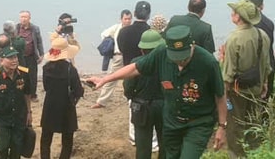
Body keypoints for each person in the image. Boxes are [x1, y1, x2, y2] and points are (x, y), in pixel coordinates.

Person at [91, 24, 227, 158]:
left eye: (183, 58)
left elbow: (220, 95)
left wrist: (222, 126)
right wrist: (105, 79)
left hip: (198, 122)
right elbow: (135, 68)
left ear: (192, 46)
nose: (179, 62)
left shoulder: (208, 63)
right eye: (175, 58)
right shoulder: (161, 52)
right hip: (172, 121)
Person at [221, 0, 270, 158]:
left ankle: (236, 156)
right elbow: (266, 66)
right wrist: (265, 84)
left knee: (234, 128)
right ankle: (254, 154)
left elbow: (228, 74)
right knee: (254, 125)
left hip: (237, 92)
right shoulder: (262, 35)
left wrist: (224, 96)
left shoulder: (234, 39)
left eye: (234, 12)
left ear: (239, 17)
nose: (231, 14)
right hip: (257, 89)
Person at [0, 47, 35, 159]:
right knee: (3, 146)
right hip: (1, 119)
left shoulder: (24, 74)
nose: (14, 60)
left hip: (19, 117)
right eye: (10, 58)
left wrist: (29, 112)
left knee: (17, 146)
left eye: (15, 57)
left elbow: (27, 94)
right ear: (1, 61)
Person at [123, 29, 165, 159]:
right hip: (163, 105)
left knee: (142, 146)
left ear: (142, 49)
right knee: (165, 144)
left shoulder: (136, 63)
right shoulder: (166, 62)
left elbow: (128, 87)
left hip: (141, 107)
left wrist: (131, 97)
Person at [39, 37, 84, 159]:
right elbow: (78, 90)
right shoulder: (70, 69)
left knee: (46, 138)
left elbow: (46, 86)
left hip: (50, 105)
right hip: (66, 106)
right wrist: (74, 99)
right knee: (67, 140)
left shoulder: (46, 68)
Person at [117, 1, 152, 147]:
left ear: (135, 13)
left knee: (132, 102)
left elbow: (121, 48)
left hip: (129, 70)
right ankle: (152, 139)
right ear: (149, 14)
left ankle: (133, 137)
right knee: (150, 102)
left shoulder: (124, 31)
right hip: (149, 72)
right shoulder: (151, 32)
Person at [94, 9, 133, 108]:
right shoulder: (116, 28)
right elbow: (104, 34)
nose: (128, 21)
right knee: (111, 78)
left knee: (132, 78)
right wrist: (110, 42)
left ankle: (131, 99)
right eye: (126, 19)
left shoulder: (133, 29)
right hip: (118, 56)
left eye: (129, 19)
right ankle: (101, 102)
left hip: (130, 56)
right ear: (121, 19)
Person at [246, 0, 275, 99]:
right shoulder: (269, 23)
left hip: (255, 69)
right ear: (262, 6)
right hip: (269, 65)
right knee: (264, 102)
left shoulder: (247, 23)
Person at [17, 11, 46, 93]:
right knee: (20, 75)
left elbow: (39, 41)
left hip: (31, 56)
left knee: (32, 76)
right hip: (19, 57)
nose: (23, 19)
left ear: (29, 18)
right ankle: (20, 92)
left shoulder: (35, 28)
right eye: (22, 17)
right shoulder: (16, 28)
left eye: (25, 17)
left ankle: (33, 94)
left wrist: (41, 54)